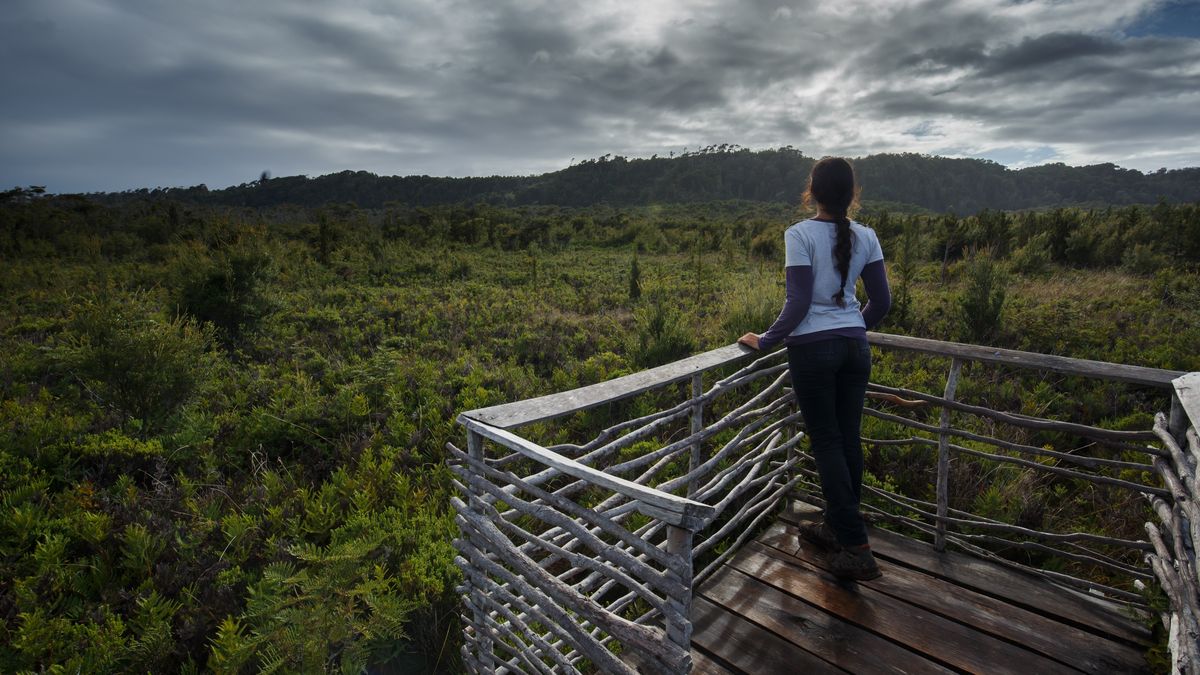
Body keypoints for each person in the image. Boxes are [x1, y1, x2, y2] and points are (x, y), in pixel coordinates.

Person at [738, 156, 891, 581]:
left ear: (813, 191)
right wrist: (851, 327)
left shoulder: (799, 234)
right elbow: (881, 301)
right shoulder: (868, 236)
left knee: (826, 442)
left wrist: (765, 340)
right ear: (851, 194)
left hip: (813, 351)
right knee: (847, 440)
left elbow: (799, 301)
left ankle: (857, 547)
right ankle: (837, 529)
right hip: (854, 348)